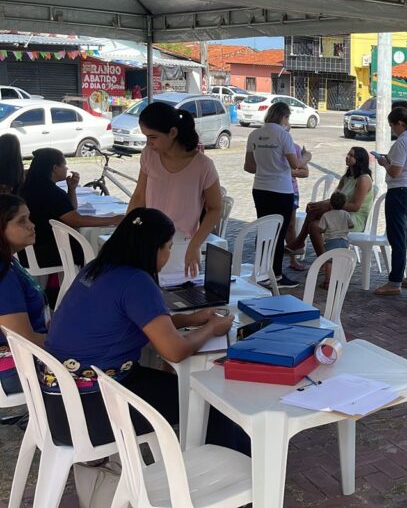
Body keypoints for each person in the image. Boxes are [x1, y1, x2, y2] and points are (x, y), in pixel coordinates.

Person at [41, 207, 244, 451]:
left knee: (175, 389)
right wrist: (212, 328)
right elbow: (175, 351)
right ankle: (231, 466)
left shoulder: (95, 268)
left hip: (58, 400)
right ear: (153, 248)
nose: (169, 254)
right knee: (207, 402)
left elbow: (140, 321)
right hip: (91, 410)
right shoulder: (137, 282)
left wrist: (192, 319)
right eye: (169, 247)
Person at [127, 102, 223, 278]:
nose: (149, 143)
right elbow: (139, 196)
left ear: (172, 132)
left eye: (153, 137)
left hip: (183, 245)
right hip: (150, 240)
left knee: (181, 292)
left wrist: (195, 245)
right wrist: (128, 232)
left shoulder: (203, 165)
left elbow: (215, 208)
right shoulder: (148, 155)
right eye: (146, 137)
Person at [19, 148, 123, 278]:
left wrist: (71, 188)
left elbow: (69, 210)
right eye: (64, 165)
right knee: (93, 247)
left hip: (25, 249)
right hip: (43, 252)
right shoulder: (51, 192)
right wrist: (114, 219)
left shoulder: (29, 186)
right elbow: (75, 220)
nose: (67, 169)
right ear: (55, 168)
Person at [244, 101, 306, 289]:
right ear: (284, 117)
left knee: (263, 229)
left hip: (260, 189)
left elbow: (248, 166)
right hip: (281, 190)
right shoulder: (283, 135)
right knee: (279, 233)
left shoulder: (254, 134)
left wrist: (266, 168)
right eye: (287, 118)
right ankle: (276, 275)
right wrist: (307, 157)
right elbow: (296, 164)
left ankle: (261, 271)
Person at [372, 106, 407, 296]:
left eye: (392, 125)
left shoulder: (403, 141)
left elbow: (395, 171)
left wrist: (384, 163)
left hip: (400, 191)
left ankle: (394, 282)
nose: (392, 129)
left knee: (398, 238)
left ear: (400, 123)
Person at [288, 147, 374, 259]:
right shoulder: (347, 177)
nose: (347, 157)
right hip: (339, 214)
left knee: (315, 213)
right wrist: (319, 204)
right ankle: (324, 261)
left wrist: (328, 206)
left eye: (351, 155)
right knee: (314, 222)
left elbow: (355, 207)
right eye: (348, 154)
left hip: (353, 219)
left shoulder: (363, 179)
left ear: (359, 160)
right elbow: (334, 198)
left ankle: (299, 242)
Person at [0, 195, 47, 395]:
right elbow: (22, 339)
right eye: (22, 221)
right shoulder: (3, 276)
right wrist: (61, 339)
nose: (31, 225)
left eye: (29, 218)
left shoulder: (9, 261)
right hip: (15, 370)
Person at [282, 116, 310, 271]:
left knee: (290, 225)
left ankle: (293, 259)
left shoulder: (295, 148)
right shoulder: (273, 148)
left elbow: (305, 172)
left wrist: (286, 172)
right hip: (275, 189)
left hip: (292, 190)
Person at [315, 192, 355, 288]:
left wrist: (323, 231)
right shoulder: (346, 214)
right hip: (344, 241)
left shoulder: (326, 215)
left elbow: (321, 229)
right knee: (341, 260)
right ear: (344, 204)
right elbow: (351, 225)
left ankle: (328, 282)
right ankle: (341, 280)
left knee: (329, 261)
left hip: (331, 241)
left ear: (330, 203)